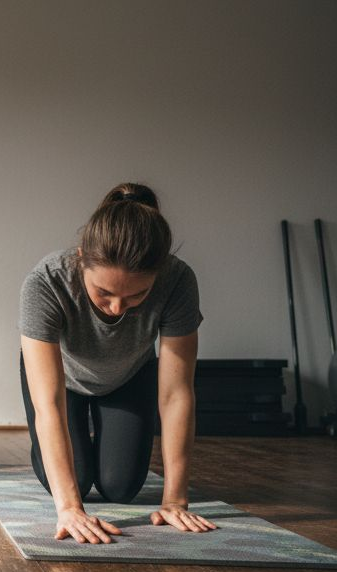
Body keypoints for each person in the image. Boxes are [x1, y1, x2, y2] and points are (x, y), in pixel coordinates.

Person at [19, 182, 217, 544]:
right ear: (82, 257)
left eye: (137, 295)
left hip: (130, 373)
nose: (116, 308)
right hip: (64, 378)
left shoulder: (177, 281)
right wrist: (69, 507)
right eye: (104, 293)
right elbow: (48, 404)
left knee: (120, 488)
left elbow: (176, 394)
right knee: (76, 481)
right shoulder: (46, 281)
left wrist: (175, 500)